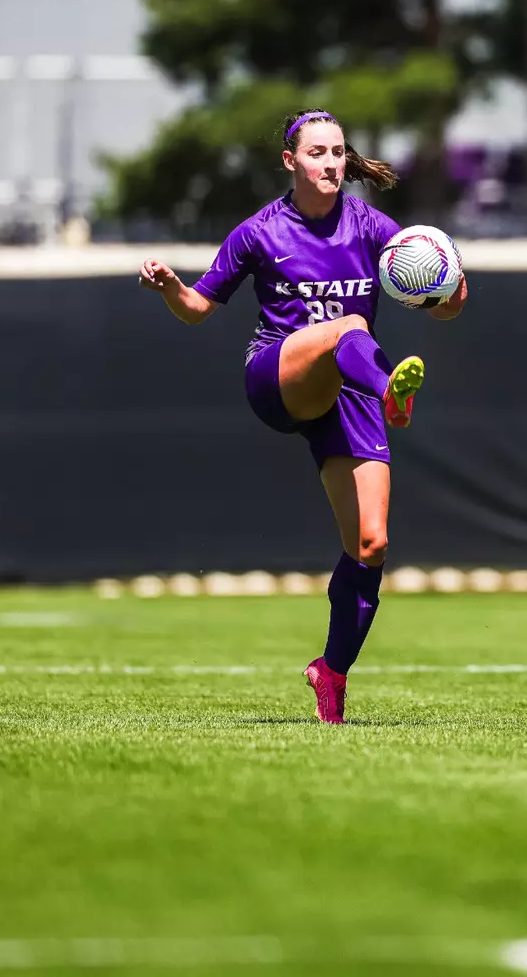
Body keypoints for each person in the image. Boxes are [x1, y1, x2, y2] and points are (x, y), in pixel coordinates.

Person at [139, 109, 468, 724]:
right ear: (290, 161)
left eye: (340, 152)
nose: (332, 164)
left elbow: (443, 306)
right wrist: (168, 288)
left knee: (371, 544)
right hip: (279, 375)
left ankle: (332, 673)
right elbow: (198, 308)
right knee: (349, 325)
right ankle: (390, 390)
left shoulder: (370, 224)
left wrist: (448, 286)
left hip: (350, 390)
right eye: (318, 152)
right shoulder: (261, 231)